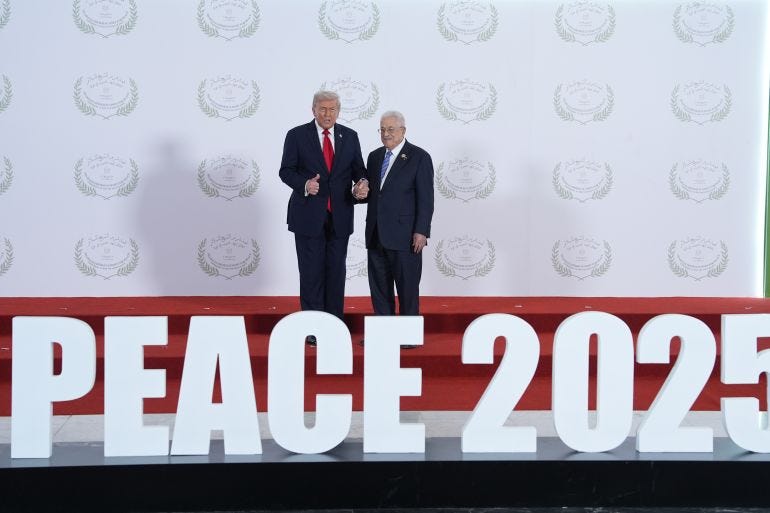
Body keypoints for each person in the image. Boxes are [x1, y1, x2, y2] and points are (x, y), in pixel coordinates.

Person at [279, 90, 369, 345]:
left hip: (340, 215)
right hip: (308, 216)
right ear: (313, 110)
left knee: (336, 273)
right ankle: (312, 328)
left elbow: (359, 170)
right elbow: (286, 171)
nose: (327, 114)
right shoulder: (297, 135)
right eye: (322, 109)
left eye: (332, 109)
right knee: (311, 273)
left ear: (338, 112)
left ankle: (334, 326)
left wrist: (362, 183)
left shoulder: (349, 136)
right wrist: (305, 184)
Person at [364, 110, 434, 324]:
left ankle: (408, 334)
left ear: (403, 131)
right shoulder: (374, 157)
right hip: (376, 235)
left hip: (406, 238)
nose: (386, 134)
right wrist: (357, 193)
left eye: (391, 129)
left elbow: (426, 199)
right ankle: (383, 333)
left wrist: (421, 231)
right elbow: (372, 194)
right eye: (382, 129)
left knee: (407, 289)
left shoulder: (419, 157)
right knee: (379, 290)